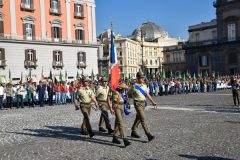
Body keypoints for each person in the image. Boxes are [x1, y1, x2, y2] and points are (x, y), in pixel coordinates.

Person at [128, 71, 157, 142]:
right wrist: (127, 102)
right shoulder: (134, 86)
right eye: (141, 78)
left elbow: (147, 94)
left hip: (143, 103)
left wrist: (153, 102)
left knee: (138, 118)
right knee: (143, 118)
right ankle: (148, 134)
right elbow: (128, 94)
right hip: (137, 103)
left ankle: (133, 131)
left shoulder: (144, 85)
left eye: (143, 78)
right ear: (137, 78)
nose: (142, 79)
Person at [108, 82, 131, 147]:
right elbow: (108, 99)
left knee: (118, 122)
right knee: (120, 123)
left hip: (122, 106)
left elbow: (124, 100)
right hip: (116, 105)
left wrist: (126, 100)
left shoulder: (123, 91)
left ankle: (115, 137)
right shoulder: (113, 89)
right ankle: (125, 139)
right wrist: (110, 108)